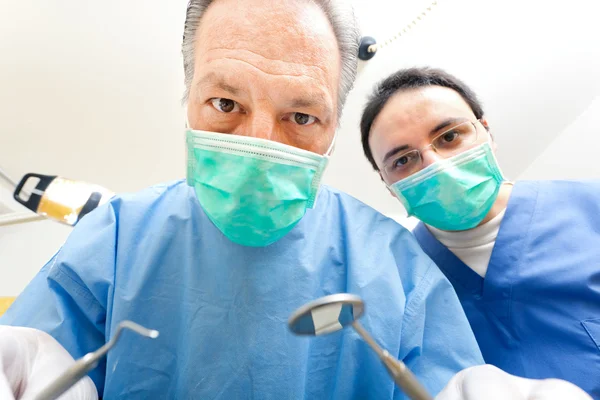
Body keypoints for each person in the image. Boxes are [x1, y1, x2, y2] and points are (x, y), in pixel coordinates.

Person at [0, 1, 488, 399]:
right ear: (188, 99)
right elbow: (38, 360)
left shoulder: (397, 267)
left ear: (334, 130)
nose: (259, 144)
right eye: (226, 104)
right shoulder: (114, 239)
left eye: (300, 116)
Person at [360, 66, 600, 398]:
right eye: (403, 160)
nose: (434, 164)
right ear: (388, 186)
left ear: (486, 132)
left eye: (448, 137)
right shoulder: (401, 278)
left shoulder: (591, 208)